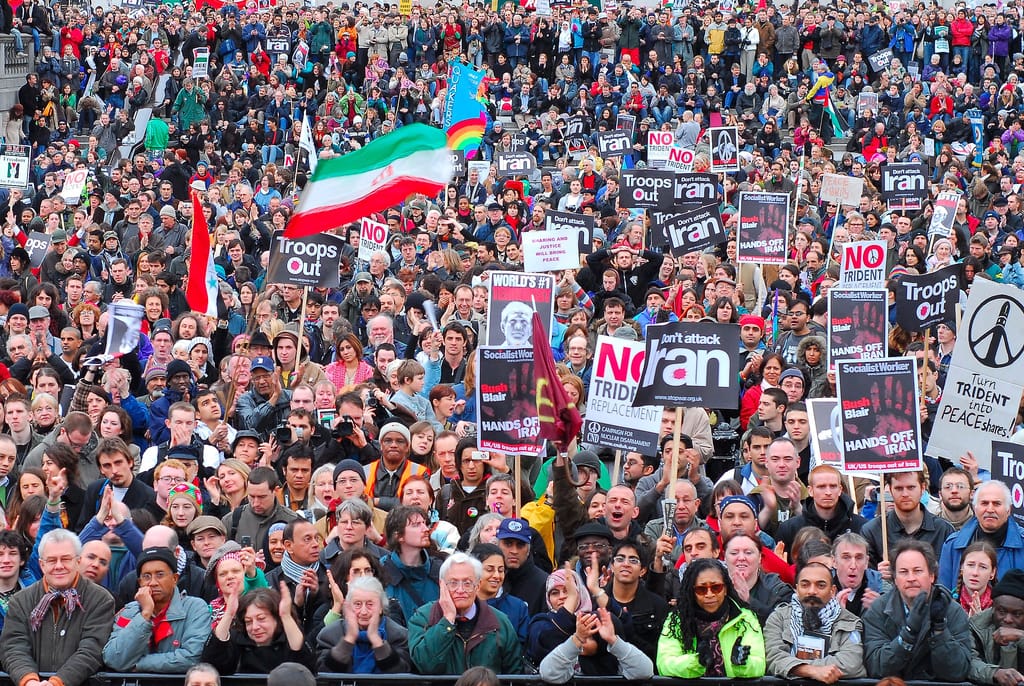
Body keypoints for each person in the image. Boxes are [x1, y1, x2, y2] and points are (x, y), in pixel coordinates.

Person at [0, 530, 115, 686]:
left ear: (78, 561)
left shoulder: (100, 599)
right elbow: (14, 647)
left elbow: (92, 650)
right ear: (42, 564)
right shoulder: (20, 601)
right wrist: (29, 680)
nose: (59, 566)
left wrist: (58, 682)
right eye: (52, 560)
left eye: (66, 559)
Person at [862, 539, 973, 680]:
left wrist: (939, 631)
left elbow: (958, 671)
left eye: (918, 571)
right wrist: (907, 634)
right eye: (903, 572)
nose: (911, 578)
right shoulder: (878, 610)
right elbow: (877, 668)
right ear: (895, 579)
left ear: (932, 575)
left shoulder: (952, 611)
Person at [408, 552, 523, 674]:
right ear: (442, 585)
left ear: (478, 586)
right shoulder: (423, 618)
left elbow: (515, 674)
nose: (460, 590)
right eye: (453, 583)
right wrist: (447, 621)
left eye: (467, 583)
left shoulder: (500, 622)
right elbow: (424, 664)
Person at [102, 547, 212, 672]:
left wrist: (139, 665)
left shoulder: (195, 608)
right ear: (140, 582)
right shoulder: (129, 612)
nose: (153, 582)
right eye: (146, 576)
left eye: (160, 575)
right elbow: (113, 659)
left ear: (174, 579)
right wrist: (145, 614)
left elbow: (192, 657)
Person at [656, 557, 766, 678]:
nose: (709, 594)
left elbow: (759, 664)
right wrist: (697, 662)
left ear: (725, 589)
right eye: (701, 589)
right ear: (692, 592)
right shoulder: (677, 619)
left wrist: (742, 664)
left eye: (716, 587)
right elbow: (664, 663)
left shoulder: (746, 618)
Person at [764, 561, 867, 682]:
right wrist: (811, 671)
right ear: (796, 589)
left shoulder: (849, 621)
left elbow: (851, 663)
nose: (812, 591)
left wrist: (794, 666)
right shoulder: (778, 618)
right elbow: (773, 657)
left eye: (821, 585)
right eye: (805, 585)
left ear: (832, 591)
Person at [200, 584, 317, 675]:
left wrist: (286, 616)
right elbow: (210, 663)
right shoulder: (237, 639)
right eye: (248, 621)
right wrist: (229, 614)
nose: (255, 627)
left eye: (261, 619)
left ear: (277, 618)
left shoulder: (290, 638)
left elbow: (306, 664)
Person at [314, 575, 412, 673]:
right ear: (349, 607)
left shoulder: (398, 635)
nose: (364, 611)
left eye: (370, 604)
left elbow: (401, 673)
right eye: (357, 604)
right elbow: (323, 673)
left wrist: (377, 642)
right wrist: (348, 640)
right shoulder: (330, 634)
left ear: (381, 608)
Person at [940, 481, 1024, 589]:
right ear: (975, 508)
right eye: (984, 503)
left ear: (1008, 510)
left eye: (997, 503)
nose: (990, 509)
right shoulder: (953, 545)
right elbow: (943, 595)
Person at [968, 568, 1024, 685]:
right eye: (1002, 611)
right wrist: (994, 673)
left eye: (1017, 614)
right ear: (993, 608)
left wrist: (1021, 636)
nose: (1008, 619)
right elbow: (968, 661)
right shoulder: (976, 626)